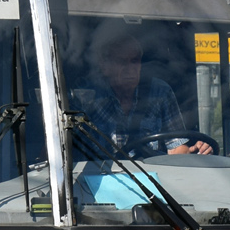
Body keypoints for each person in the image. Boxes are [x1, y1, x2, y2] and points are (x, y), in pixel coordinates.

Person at [82, 21, 210, 155]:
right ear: (104, 66)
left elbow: (176, 147)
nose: (130, 69)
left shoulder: (159, 93)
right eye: (122, 62)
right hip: (102, 174)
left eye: (135, 61)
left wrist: (195, 152)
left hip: (150, 174)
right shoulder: (88, 97)